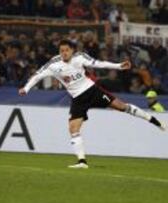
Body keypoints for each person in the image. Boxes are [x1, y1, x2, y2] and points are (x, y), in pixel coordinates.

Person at [18, 40, 165, 169]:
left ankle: (155, 120)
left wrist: (119, 66)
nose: (64, 53)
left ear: (72, 50)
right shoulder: (53, 64)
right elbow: (37, 75)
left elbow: (98, 63)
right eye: (61, 50)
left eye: (67, 50)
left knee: (122, 106)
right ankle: (82, 162)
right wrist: (26, 88)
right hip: (78, 99)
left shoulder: (80, 57)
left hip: (92, 91)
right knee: (73, 128)